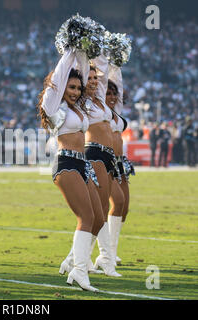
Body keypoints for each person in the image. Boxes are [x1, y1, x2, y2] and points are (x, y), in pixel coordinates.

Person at [37, 48, 105, 292]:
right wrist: (69, 51)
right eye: (72, 87)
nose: (76, 92)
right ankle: (79, 270)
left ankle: (72, 261)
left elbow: (84, 73)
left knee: (98, 218)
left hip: (83, 164)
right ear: (62, 86)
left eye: (78, 88)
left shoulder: (79, 106)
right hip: (66, 164)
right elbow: (59, 77)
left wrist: (84, 52)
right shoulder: (54, 106)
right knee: (85, 217)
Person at [83, 56, 121, 277]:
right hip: (94, 153)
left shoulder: (100, 101)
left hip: (107, 157)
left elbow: (105, 75)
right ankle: (106, 260)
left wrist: (101, 54)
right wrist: (77, 52)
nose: (93, 81)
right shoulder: (82, 102)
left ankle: (81, 257)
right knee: (99, 210)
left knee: (102, 211)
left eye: (94, 78)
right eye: (88, 78)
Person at [105, 64, 133, 266]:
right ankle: (105, 254)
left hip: (120, 162)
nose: (113, 97)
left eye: (115, 93)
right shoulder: (97, 110)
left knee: (124, 207)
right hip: (103, 160)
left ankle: (112, 251)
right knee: (116, 202)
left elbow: (119, 86)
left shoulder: (115, 111)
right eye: (108, 93)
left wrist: (115, 63)